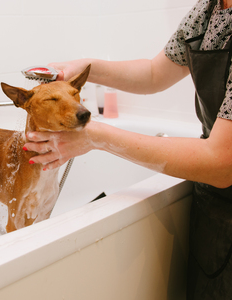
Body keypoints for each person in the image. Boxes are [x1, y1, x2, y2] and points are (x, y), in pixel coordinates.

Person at [23, 0, 232, 298]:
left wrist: (96, 136)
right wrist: (82, 68)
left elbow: (223, 162)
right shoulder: (208, 11)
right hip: (213, 203)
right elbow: (152, 74)